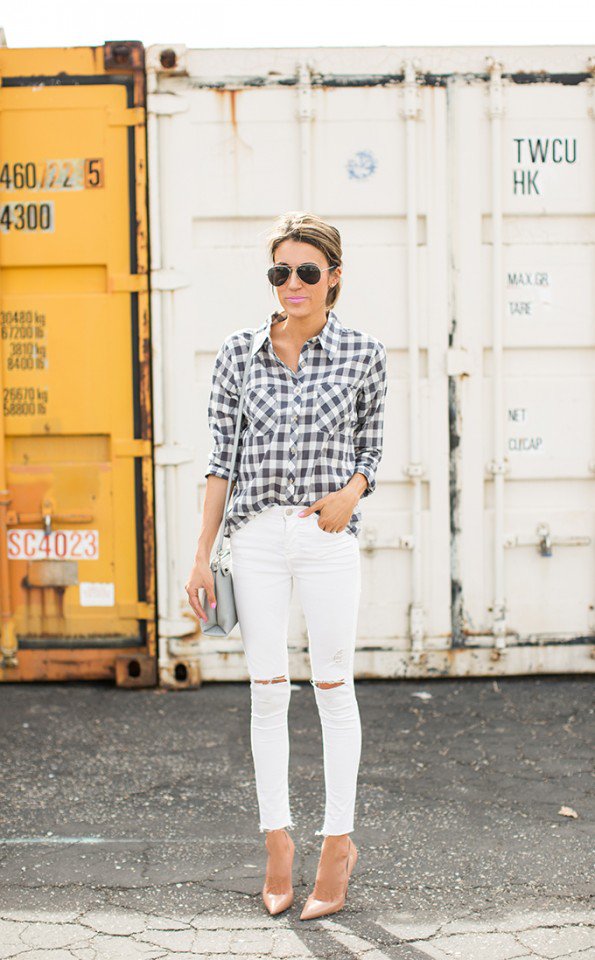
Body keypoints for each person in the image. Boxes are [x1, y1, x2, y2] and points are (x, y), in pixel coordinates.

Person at [185, 211, 388, 920]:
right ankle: (278, 843)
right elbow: (220, 461)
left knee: (332, 687)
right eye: (280, 272)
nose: (292, 284)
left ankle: (338, 846)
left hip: (325, 537)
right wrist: (203, 556)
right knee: (267, 692)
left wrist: (349, 494)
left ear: (332, 277)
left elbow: (371, 447)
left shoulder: (363, 352)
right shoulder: (239, 352)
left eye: (306, 271)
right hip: (257, 540)